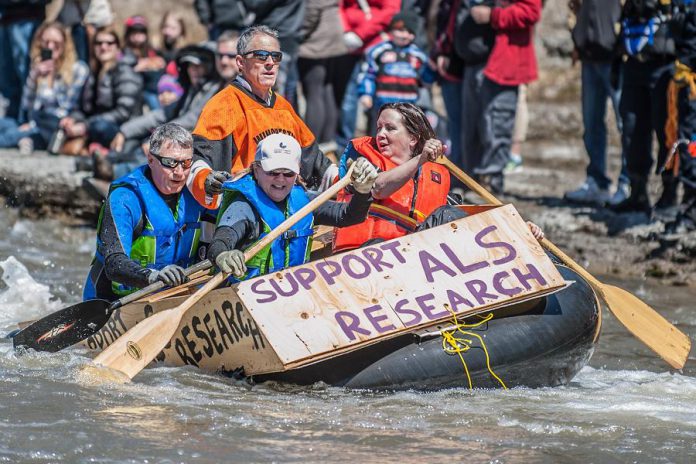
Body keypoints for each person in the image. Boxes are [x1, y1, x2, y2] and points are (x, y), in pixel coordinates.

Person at [333, 102, 544, 252]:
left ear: (413, 138)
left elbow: (461, 216)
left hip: (412, 257)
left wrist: (514, 227)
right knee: (445, 215)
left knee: (449, 214)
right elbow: (377, 187)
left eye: (390, 128)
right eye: (379, 127)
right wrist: (421, 160)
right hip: (364, 253)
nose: (380, 134)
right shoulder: (361, 155)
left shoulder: (434, 173)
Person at [188, 25, 338, 210]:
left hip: (284, 214)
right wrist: (207, 180)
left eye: (276, 56)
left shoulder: (284, 107)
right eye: (261, 55)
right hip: (241, 214)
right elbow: (198, 159)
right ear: (240, 62)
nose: (270, 62)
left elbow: (315, 163)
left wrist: (347, 180)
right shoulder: (224, 104)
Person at [208, 133, 379, 280]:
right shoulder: (242, 206)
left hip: (291, 292)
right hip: (248, 296)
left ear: (297, 171)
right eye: (273, 172)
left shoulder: (304, 199)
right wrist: (224, 255)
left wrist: (363, 192)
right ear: (257, 169)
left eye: (288, 173)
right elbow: (221, 240)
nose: (280, 180)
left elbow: (349, 216)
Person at [83, 123, 208, 301]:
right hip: (114, 301)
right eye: (170, 163)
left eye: (186, 163)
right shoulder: (125, 199)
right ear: (150, 160)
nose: (179, 172)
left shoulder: (198, 194)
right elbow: (114, 263)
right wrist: (153, 276)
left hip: (172, 297)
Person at [100, 44, 222, 180]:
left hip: (190, 146)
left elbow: (191, 119)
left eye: (199, 66)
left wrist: (159, 137)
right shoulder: (191, 91)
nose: (194, 71)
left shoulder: (213, 90)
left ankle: (112, 174)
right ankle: (98, 165)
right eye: (190, 66)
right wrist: (124, 131)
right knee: (131, 140)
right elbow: (160, 115)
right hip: (176, 137)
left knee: (156, 152)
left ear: (209, 68)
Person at [564, 0, 627, 206]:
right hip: (589, 56)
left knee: (626, 124)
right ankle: (596, 182)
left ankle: (627, 184)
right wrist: (577, 38)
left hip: (616, 58)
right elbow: (574, 8)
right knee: (591, 124)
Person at [0, 21, 89, 155]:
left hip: (56, 124)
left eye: (56, 43)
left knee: (9, 136)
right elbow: (27, 105)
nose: (50, 46)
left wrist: (31, 124)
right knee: (4, 124)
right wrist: (34, 77)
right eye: (46, 42)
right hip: (36, 121)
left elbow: (65, 107)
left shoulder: (78, 69)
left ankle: (24, 139)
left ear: (65, 44)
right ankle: (26, 139)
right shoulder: (37, 66)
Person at [60, 26, 143, 155]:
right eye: (98, 43)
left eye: (109, 43)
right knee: (55, 120)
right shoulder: (93, 72)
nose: (103, 47)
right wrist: (72, 119)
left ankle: (94, 149)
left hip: (121, 128)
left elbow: (123, 112)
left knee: (99, 126)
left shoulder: (125, 71)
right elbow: (84, 108)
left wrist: (86, 126)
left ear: (117, 47)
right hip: (96, 123)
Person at [358, 11, 433, 131]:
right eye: (401, 30)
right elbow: (368, 75)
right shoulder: (378, 51)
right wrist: (366, 94)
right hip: (381, 106)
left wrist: (431, 69)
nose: (404, 35)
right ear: (391, 31)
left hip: (409, 108)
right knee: (379, 136)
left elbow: (425, 80)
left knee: (406, 137)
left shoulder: (419, 55)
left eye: (410, 32)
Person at [0, 0, 50, 120]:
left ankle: (26, 121)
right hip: (5, 19)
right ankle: (11, 123)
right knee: (6, 80)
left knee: (25, 74)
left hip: (26, 18)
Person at [123, 15, 166, 110]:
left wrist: (150, 64)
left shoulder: (152, 52)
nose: (138, 36)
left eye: (141, 32)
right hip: (134, 92)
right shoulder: (124, 53)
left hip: (153, 90)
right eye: (134, 32)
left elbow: (161, 66)